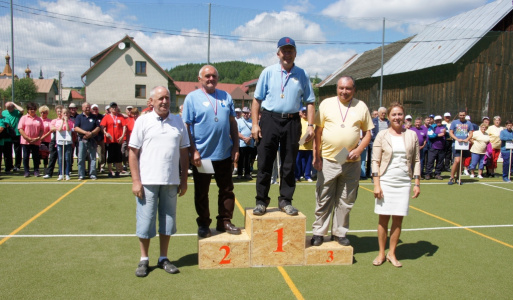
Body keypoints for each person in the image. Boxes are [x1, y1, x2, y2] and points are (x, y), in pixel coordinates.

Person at [129, 86, 190, 278]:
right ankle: (144, 259)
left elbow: (184, 152)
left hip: (171, 182)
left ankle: (163, 257)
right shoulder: (143, 121)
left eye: (167, 98)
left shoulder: (178, 121)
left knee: (168, 222)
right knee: (146, 222)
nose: (165, 101)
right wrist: (136, 180)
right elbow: (133, 152)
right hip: (147, 182)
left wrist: (184, 179)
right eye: (161, 98)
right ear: (151, 102)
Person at [251, 36, 315, 216]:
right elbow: (257, 100)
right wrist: (255, 124)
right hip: (270, 119)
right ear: (278, 53)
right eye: (284, 51)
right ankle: (261, 201)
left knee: (288, 164)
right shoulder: (268, 72)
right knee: (264, 161)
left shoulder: (302, 74)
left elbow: (310, 101)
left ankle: (285, 200)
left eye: (290, 51)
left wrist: (310, 125)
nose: (287, 54)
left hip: (292, 121)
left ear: (295, 53)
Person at [310, 76, 373, 247]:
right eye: (341, 88)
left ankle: (340, 232)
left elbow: (368, 133)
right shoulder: (326, 104)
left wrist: (359, 149)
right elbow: (318, 132)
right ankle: (319, 232)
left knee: (346, 199)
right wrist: (316, 156)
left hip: (351, 162)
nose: (344, 92)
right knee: (323, 197)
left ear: (354, 89)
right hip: (329, 160)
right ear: (336, 88)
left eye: (348, 88)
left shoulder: (361, 106)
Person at [182, 65, 241, 237]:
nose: (211, 79)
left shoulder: (226, 96)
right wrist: (192, 151)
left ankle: (224, 221)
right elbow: (186, 126)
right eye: (207, 76)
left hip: (223, 153)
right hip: (203, 156)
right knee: (202, 192)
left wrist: (236, 146)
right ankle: (203, 223)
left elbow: (232, 123)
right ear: (199, 78)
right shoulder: (192, 98)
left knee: (227, 190)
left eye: (214, 76)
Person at [371, 102, 420, 268]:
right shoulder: (382, 135)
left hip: (404, 182)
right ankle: (381, 253)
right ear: (389, 117)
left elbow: (417, 160)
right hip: (386, 180)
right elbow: (375, 161)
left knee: (398, 220)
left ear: (404, 116)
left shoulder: (412, 135)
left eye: (400, 114)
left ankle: (392, 253)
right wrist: (377, 184)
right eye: (394, 115)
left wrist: (417, 182)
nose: (397, 117)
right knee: (383, 219)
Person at [74, 102, 100, 180]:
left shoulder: (94, 117)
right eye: (86, 107)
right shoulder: (79, 117)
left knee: (93, 158)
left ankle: (92, 174)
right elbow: (76, 128)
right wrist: (85, 133)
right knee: (81, 158)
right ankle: (81, 174)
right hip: (82, 140)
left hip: (92, 140)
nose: (87, 108)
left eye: (88, 107)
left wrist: (91, 133)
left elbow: (98, 127)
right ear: (82, 108)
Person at [100, 102, 127, 178]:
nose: (114, 109)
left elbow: (124, 126)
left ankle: (117, 171)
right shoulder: (107, 117)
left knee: (118, 155)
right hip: (110, 140)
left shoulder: (120, 116)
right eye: (112, 107)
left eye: (115, 107)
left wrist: (122, 136)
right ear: (110, 109)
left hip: (118, 139)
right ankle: (110, 171)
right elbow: (102, 126)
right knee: (110, 156)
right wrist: (105, 133)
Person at [18, 102, 44, 177]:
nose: (32, 111)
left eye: (34, 109)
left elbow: (42, 129)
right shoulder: (23, 118)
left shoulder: (39, 119)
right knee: (26, 157)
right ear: (28, 110)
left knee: (36, 157)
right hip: (26, 141)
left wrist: (38, 137)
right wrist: (27, 137)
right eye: (30, 109)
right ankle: (26, 171)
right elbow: (20, 129)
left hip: (36, 141)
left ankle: (36, 171)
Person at [448, 110, 473, 185]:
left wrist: (467, 139)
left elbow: (471, 133)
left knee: (461, 162)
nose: (462, 116)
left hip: (464, 144)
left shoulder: (468, 123)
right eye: (460, 115)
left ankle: (458, 177)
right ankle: (451, 177)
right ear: (458, 115)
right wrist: (456, 139)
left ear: (465, 115)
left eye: (463, 115)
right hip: (456, 143)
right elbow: (451, 132)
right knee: (457, 161)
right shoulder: (454, 122)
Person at [52, 108, 74, 181]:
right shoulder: (58, 121)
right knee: (60, 159)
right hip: (60, 142)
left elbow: (68, 129)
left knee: (67, 158)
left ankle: (67, 174)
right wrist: (62, 121)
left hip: (67, 142)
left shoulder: (71, 122)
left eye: (67, 113)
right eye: (64, 113)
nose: (65, 115)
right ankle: (61, 174)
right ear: (61, 114)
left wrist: (66, 121)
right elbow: (59, 129)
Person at [2, 101, 24, 173]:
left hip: (16, 133)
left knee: (17, 151)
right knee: (8, 151)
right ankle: (9, 165)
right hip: (7, 134)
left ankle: (17, 166)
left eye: (9, 107)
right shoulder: (4, 112)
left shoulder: (17, 112)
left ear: (12, 107)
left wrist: (14, 103)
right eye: (7, 107)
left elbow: (22, 110)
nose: (8, 109)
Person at [43, 105, 63, 179]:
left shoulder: (66, 120)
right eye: (58, 111)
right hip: (54, 141)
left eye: (61, 111)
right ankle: (49, 173)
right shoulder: (54, 121)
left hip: (63, 141)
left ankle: (60, 173)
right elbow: (52, 128)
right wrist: (60, 128)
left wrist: (58, 128)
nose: (59, 113)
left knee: (62, 158)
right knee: (52, 157)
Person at [295, 106, 314, 182]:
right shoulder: (298, 121)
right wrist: (302, 141)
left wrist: (308, 139)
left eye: (306, 112)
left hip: (309, 146)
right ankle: (297, 176)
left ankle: (307, 176)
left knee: (308, 163)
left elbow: (313, 132)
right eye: (303, 112)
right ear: (301, 113)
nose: (305, 113)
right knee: (297, 162)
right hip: (299, 146)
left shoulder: (311, 122)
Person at [425, 115, 446, 180]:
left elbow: (448, 135)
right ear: (435, 121)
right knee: (430, 161)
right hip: (433, 147)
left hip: (442, 147)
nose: (438, 121)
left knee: (440, 162)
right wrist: (438, 135)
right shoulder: (432, 127)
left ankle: (437, 174)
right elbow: (430, 135)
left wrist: (446, 133)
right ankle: (428, 174)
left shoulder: (444, 127)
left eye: (439, 120)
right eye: (437, 120)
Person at [236, 107, 254, 180]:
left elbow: (254, 131)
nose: (245, 114)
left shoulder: (252, 121)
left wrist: (249, 138)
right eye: (244, 113)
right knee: (240, 159)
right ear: (242, 113)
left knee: (248, 160)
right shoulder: (239, 121)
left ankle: (247, 174)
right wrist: (244, 138)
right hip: (241, 144)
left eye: (247, 113)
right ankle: (239, 174)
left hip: (250, 143)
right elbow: (237, 132)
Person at [91, 104, 106, 172]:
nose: (95, 110)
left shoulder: (102, 117)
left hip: (100, 138)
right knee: (91, 155)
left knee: (101, 154)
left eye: (96, 109)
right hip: (91, 138)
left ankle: (101, 167)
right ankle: (91, 168)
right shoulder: (89, 117)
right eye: (93, 109)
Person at [38, 105, 53, 173]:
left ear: (47, 113)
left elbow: (50, 131)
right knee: (37, 154)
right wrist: (38, 138)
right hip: (37, 140)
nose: (42, 114)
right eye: (41, 112)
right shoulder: (37, 120)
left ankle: (45, 167)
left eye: (44, 112)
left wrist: (43, 137)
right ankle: (37, 167)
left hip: (46, 140)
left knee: (45, 154)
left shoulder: (49, 121)